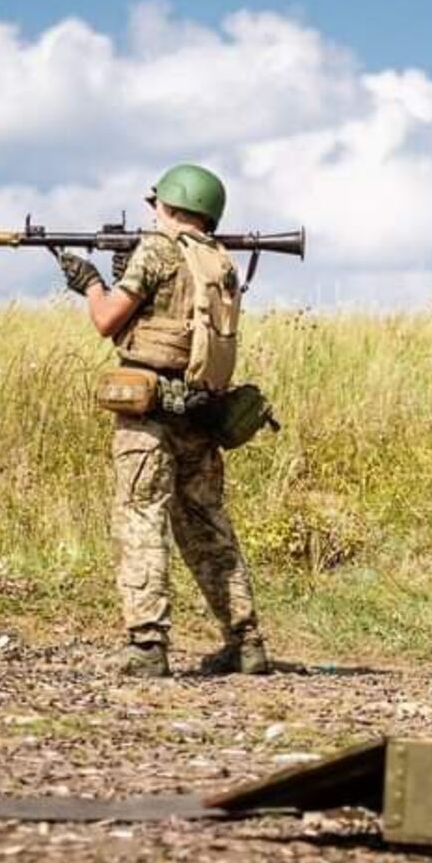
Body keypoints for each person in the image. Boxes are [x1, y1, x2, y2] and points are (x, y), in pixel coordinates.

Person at [52, 163, 270, 678]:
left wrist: (89, 285)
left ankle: (148, 645)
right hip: (200, 410)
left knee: (141, 518)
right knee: (209, 528)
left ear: (166, 203)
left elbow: (108, 320)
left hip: (148, 411)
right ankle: (246, 641)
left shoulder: (155, 251)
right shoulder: (219, 261)